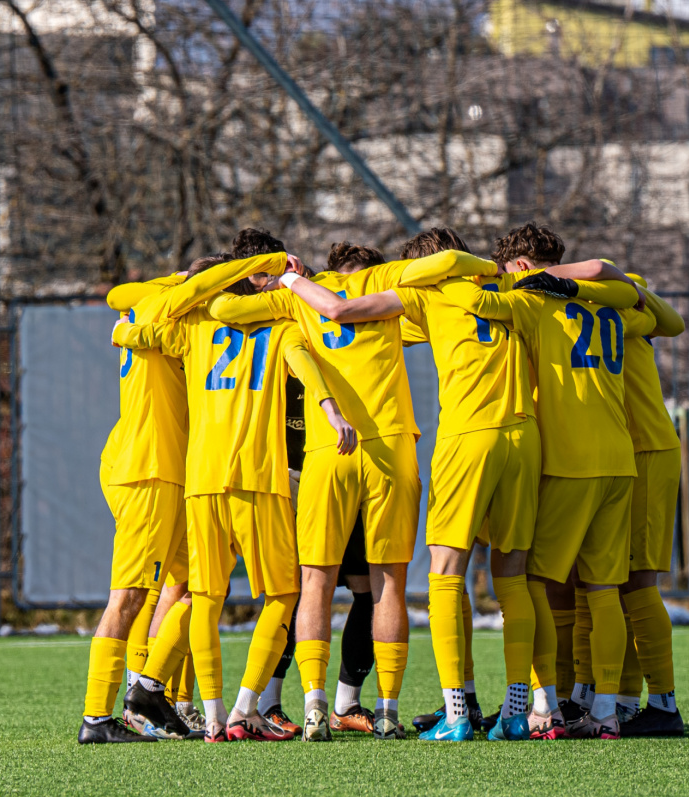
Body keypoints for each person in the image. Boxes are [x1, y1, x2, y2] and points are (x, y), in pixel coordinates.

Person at [271, 227, 641, 742]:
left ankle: (458, 712)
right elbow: (609, 275)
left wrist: (292, 282)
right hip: (526, 437)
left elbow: (339, 311)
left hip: (468, 436)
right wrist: (548, 276)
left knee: (446, 574)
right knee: (516, 578)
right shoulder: (509, 283)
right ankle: (526, 707)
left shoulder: (429, 292)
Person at [207, 235, 486, 740]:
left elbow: (225, 308)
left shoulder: (301, 293)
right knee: (388, 584)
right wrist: (492, 270)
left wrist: (273, 274)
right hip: (391, 446)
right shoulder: (388, 282)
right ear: (375, 268)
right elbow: (442, 270)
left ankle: (313, 705)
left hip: (324, 452)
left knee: (312, 582)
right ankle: (386, 709)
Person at [113, 232, 356, 743]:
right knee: (283, 594)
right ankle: (246, 708)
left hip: (201, 479)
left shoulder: (198, 325)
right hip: (257, 478)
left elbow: (136, 325)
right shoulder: (280, 324)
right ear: (260, 284)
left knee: (203, 596)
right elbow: (306, 367)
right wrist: (333, 411)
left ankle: (206, 712)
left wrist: (126, 332)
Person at [437, 259, 658, 739]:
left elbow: (480, 302)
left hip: (569, 462)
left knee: (528, 579)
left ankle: (543, 708)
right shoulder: (610, 307)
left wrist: (444, 277)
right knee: (602, 590)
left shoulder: (537, 306)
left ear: (521, 266)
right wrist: (582, 282)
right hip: (619, 460)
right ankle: (604, 713)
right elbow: (655, 311)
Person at [78, 253, 273, 744]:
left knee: (197, 582)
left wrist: (179, 282)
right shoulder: (173, 311)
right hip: (151, 469)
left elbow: (118, 296)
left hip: (145, 462)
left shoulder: (150, 304)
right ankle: (99, 719)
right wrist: (267, 263)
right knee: (129, 597)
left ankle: (150, 690)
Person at [616, 273, 685, 737]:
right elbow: (672, 323)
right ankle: (622, 702)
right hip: (625, 450)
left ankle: (663, 704)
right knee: (613, 583)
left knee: (638, 581)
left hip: (645, 448)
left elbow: (674, 323)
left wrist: (626, 285)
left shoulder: (613, 304)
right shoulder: (618, 305)